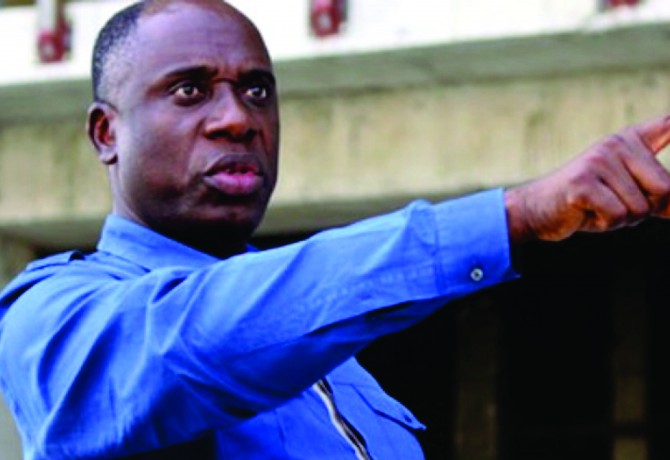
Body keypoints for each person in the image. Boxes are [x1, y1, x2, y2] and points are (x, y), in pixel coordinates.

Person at [1, 0, 670, 458]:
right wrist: (511, 216)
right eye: (189, 91)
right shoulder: (51, 317)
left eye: (257, 91)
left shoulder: (330, 356)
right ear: (106, 132)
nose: (238, 119)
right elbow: (197, 341)